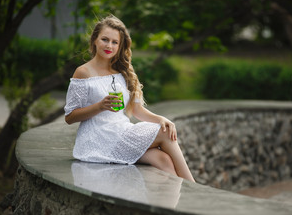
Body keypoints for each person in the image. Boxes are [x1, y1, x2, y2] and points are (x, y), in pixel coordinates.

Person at [64, 15, 195, 182]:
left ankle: (178, 204)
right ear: (95, 40)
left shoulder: (123, 71)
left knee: (163, 160)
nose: (109, 45)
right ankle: (196, 190)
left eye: (114, 42)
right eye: (105, 39)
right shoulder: (83, 72)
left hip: (121, 131)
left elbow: (136, 110)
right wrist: (100, 106)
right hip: (99, 139)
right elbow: (70, 117)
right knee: (165, 133)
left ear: (120, 46)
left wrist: (160, 118)